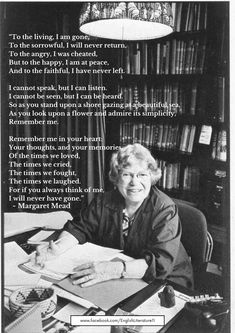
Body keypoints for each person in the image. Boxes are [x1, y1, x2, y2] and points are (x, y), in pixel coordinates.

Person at [36, 143, 193, 289]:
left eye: (142, 175)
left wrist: (112, 270)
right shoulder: (104, 201)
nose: (135, 182)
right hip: (123, 278)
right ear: (116, 178)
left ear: (151, 178)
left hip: (165, 283)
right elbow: (79, 228)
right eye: (127, 174)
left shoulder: (165, 209)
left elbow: (159, 265)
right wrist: (58, 248)